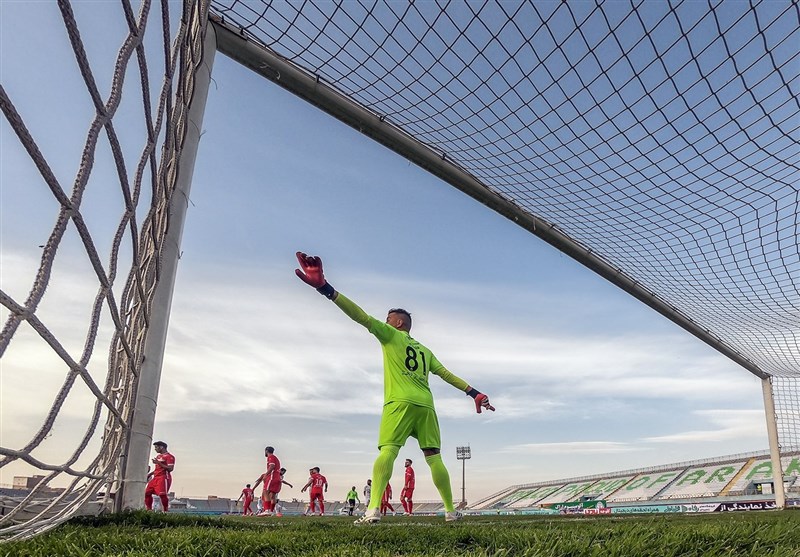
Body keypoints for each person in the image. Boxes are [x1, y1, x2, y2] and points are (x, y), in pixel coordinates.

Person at [295, 252, 495, 524]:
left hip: (398, 403)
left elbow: (362, 317)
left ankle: (372, 510)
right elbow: (445, 374)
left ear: (398, 323)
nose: (384, 321)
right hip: (425, 405)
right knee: (434, 458)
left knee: (388, 451)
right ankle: (450, 511)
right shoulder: (424, 349)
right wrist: (475, 393)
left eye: (388, 319)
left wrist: (326, 289)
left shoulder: (390, 335)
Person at [144, 441, 175, 512]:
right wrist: (150, 474)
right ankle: (149, 510)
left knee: (162, 494)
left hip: (163, 477)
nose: (155, 449)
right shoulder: (159, 456)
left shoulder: (170, 457)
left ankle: (165, 511)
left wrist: (158, 463)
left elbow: (170, 469)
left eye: (156, 447)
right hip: (156, 477)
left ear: (161, 447)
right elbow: (158, 468)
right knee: (147, 493)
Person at [252, 446, 281, 516]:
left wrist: (266, 474)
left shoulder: (270, 457)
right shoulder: (276, 458)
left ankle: (267, 510)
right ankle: (270, 511)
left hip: (272, 477)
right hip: (277, 478)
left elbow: (272, 466)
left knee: (265, 491)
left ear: (266, 451)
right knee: (273, 496)